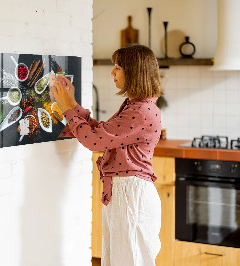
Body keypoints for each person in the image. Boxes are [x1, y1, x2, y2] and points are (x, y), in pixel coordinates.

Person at [51, 44, 163, 266]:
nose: (112, 72)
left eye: (118, 67)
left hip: (131, 195)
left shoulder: (140, 111)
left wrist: (66, 108)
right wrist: (72, 103)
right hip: (126, 193)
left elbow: (94, 141)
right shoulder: (136, 106)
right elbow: (102, 133)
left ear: (134, 72)